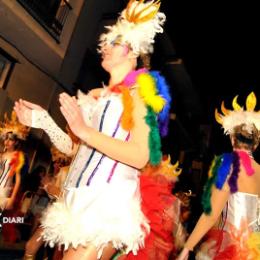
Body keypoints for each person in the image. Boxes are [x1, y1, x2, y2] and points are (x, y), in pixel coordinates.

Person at [14, 0, 171, 259]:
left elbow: (140, 156)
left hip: (108, 205)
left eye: (115, 42)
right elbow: (74, 149)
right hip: (76, 202)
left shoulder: (141, 96)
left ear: (134, 52)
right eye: (106, 42)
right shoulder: (95, 97)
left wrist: (85, 131)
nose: (105, 47)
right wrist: (43, 120)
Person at [178, 92, 260, 260]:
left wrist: (187, 247)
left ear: (231, 138)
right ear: (256, 143)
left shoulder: (230, 166)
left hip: (232, 249)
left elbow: (212, 214)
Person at [23, 146, 71, 260]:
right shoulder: (61, 173)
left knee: (54, 252)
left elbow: (62, 195)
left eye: (57, 161)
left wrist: (48, 187)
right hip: (55, 214)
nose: (55, 164)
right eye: (55, 162)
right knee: (35, 247)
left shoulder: (65, 172)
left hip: (63, 216)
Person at [0, 111, 29, 242]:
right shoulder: (1, 155)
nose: (7, 141)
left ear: (16, 142)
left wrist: (12, 198)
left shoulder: (18, 156)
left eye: (10, 139)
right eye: (6, 138)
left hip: (3, 191)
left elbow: (17, 180)